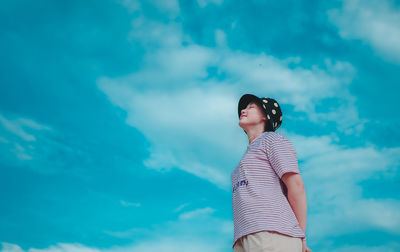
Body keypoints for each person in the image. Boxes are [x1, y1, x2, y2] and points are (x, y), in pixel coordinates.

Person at [231, 94, 311, 252]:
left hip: (271, 233)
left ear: (265, 117)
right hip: (245, 236)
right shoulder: (250, 152)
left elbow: (296, 185)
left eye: (251, 107)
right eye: (244, 108)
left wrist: (301, 236)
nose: (244, 110)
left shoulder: (272, 140)